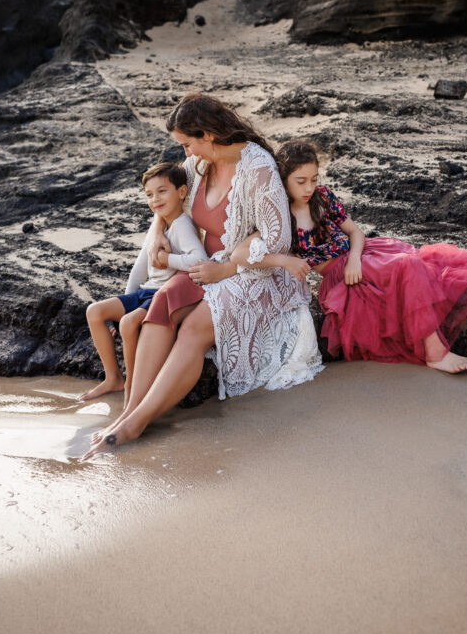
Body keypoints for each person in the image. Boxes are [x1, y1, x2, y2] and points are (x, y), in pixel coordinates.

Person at [81, 95, 323, 460]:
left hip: (256, 273)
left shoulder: (258, 169)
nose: (185, 150)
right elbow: (169, 202)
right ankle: (128, 411)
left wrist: (227, 268)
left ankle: (136, 423)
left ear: (208, 135)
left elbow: (278, 238)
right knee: (161, 305)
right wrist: (157, 230)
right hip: (204, 264)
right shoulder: (196, 165)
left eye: (187, 142)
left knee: (194, 327)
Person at [273, 139, 467, 373]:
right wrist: (286, 261)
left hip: (362, 255)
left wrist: (355, 258)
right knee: (409, 265)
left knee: (428, 258)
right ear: (284, 181)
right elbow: (246, 253)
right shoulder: (282, 218)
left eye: (313, 179)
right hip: (339, 276)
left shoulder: (322, 197)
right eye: (300, 181)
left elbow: (355, 232)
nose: (309, 187)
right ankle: (435, 352)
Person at [78, 162, 207, 404]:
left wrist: (167, 259)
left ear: (181, 192)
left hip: (163, 295)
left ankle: (132, 386)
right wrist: (124, 305)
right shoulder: (157, 225)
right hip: (145, 292)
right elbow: (139, 268)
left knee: (128, 324)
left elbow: (199, 260)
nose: (155, 199)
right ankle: (113, 378)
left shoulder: (182, 225)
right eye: (149, 194)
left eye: (162, 191)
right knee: (95, 311)